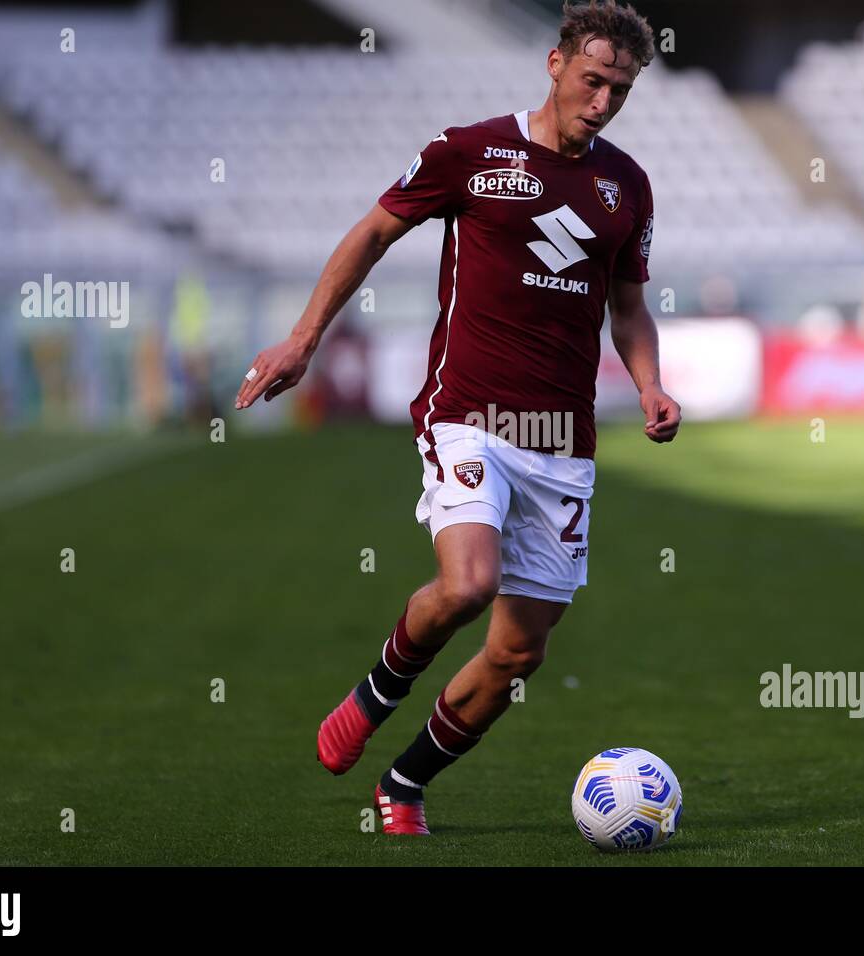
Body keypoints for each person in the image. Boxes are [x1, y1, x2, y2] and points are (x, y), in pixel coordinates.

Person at [235, 0, 680, 835]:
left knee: (519, 653)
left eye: (620, 89)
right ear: (554, 64)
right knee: (469, 583)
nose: (604, 101)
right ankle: (375, 694)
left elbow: (628, 305)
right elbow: (374, 231)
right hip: (467, 412)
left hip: (562, 440)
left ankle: (404, 784)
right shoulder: (469, 152)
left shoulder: (627, 186)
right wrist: (305, 339)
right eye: (592, 81)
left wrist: (649, 383)